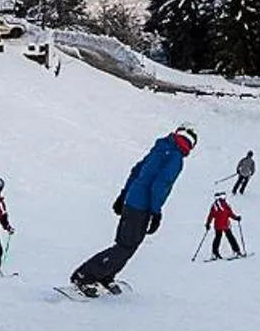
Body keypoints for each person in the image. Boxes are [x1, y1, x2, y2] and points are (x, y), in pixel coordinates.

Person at [69, 125, 196, 295]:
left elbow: (137, 171)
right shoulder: (175, 157)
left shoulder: (160, 149)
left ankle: (105, 275)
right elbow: (160, 185)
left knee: (126, 244)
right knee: (126, 246)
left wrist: (124, 195)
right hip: (141, 206)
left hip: (132, 201)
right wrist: (156, 212)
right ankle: (85, 276)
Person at [205, 191, 244, 260]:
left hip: (220, 225)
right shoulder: (223, 205)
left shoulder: (216, 206)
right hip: (224, 224)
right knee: (229, 237)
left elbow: (211, 215)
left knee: (219, 238)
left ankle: (215, 253)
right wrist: (236, 218)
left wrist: (208, 223)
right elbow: (230, 213)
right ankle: (236, 251)